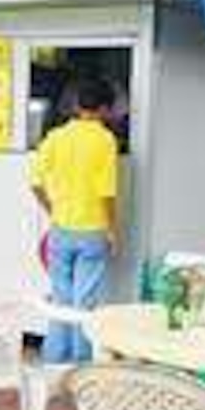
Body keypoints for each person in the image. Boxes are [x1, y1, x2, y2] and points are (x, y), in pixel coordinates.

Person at [30, 76, 120, 363]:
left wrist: (53, 210)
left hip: (61, 229)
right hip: (93, 230)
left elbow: (35, 182)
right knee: (84, 302)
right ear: (104, 108)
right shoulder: (105, 140)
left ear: (77, 105)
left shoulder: (56, 137)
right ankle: (80, 362)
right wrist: (112, 229)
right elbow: (107, 192)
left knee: (61, 298)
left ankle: (54, 358)